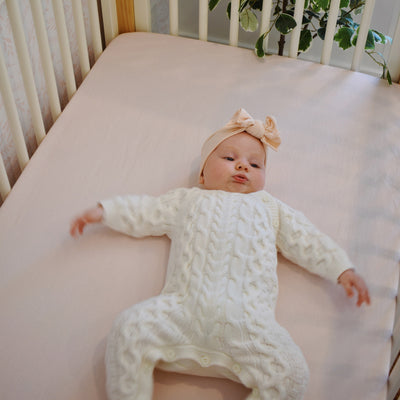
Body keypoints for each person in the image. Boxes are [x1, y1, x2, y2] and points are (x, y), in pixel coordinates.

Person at [70, 108, 370, 400]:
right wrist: (106, 211)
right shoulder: (187, 200)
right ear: (202, 174)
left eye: (255, 165)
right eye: (229, 158)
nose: (243, 167)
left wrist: (340, 268)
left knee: (292, 374)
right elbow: (147, 210)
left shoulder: (269, 207)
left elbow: (307, 239)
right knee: (128, 330)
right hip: (181, 313)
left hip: (250, 327)